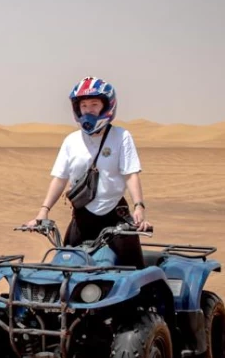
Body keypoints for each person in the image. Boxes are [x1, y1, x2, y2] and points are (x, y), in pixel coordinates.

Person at [23, 77, 150, 267]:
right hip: (82, 218)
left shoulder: (121, 136)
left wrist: (139, 206)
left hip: (115, 216)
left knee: (135, 273)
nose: (88, 110)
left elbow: (130, 174)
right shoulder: (71, 141)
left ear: (107, 106)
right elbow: (60, 178)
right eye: (83, 105)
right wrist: (43, 212)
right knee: (63, 267)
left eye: (94, 104)